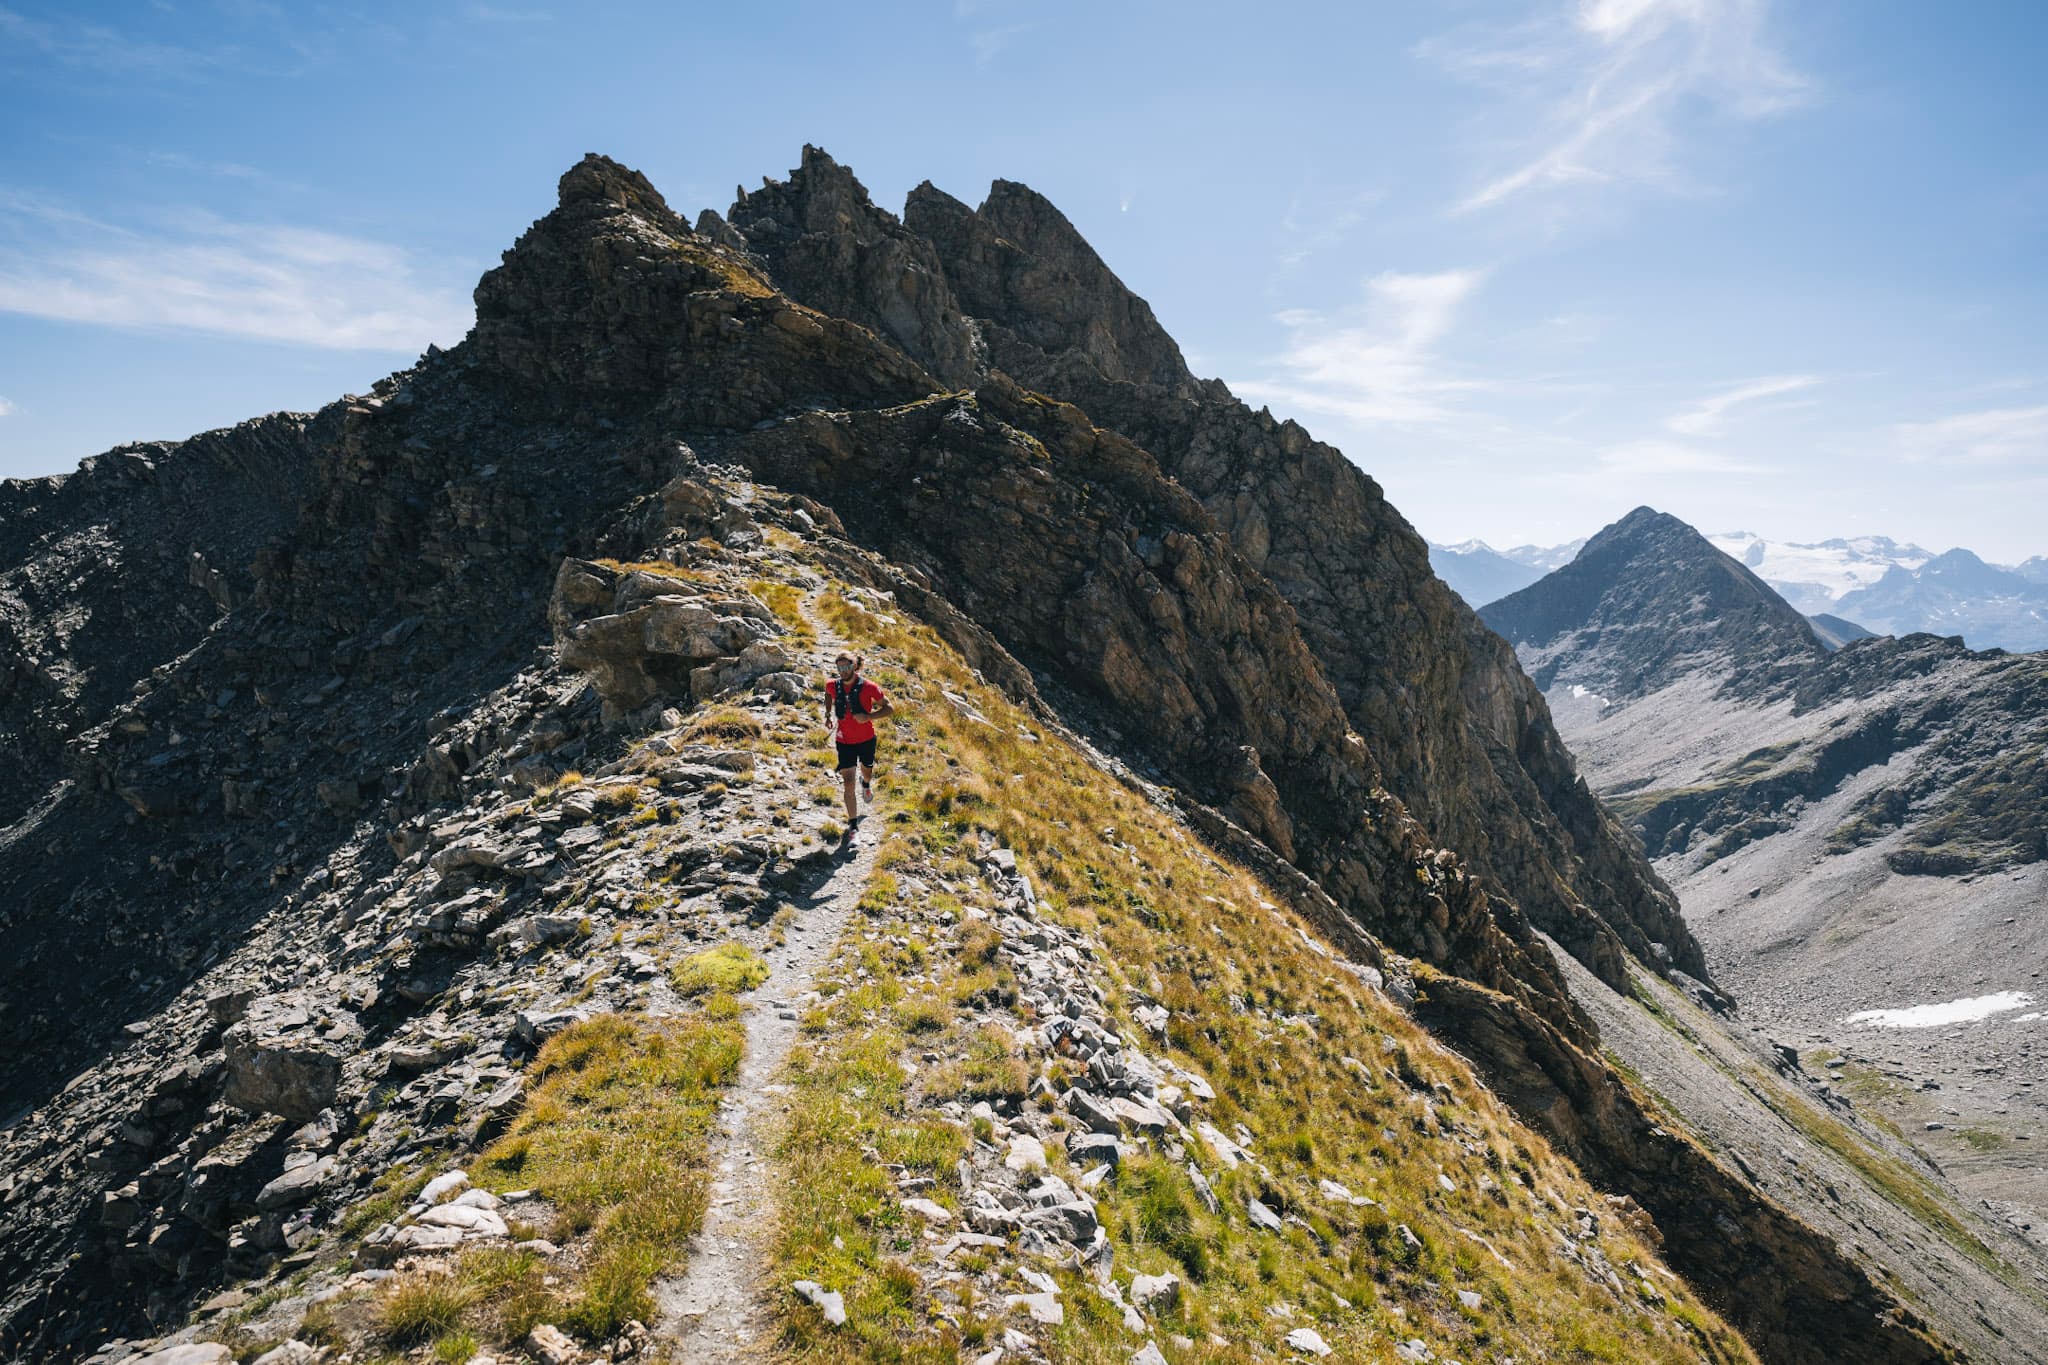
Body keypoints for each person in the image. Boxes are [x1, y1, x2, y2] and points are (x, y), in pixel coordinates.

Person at [823, 651, 891, 829]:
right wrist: (828, 714)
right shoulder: (832, 685)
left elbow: (889, 708)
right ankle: (853, 826)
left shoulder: (869, 687)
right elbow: (828, 694)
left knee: (867, 770)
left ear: (854, 666)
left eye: (846, 666)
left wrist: (868, 717)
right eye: (840, 667)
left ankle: (866, 783)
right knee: (848, 783)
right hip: (844, 742)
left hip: (866, 739)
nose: (843, 671)